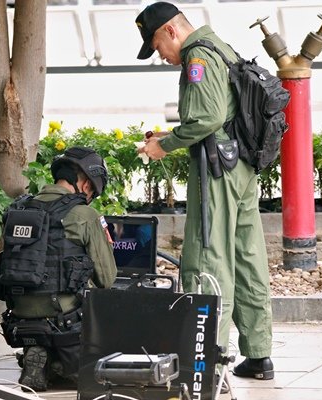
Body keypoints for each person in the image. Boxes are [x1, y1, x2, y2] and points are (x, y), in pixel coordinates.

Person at [134, 2, 274, 381]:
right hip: (241, 164)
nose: (160, 56)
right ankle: (259, 355)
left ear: (170, 31)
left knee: (208, 256)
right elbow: (222, 115)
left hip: (217, 170)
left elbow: (208, 117)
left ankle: (207, 357)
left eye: (157, 46)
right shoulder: (220, 46)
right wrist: (169, 136)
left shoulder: (198, 56)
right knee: (247, 255)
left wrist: (163, 146)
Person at [0, 146, 117, 391]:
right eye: (93, 189)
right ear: (85, 182)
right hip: (65, 319)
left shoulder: (18, 209)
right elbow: (106, 279)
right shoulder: (84, 214)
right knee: (91, 367)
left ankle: (37, 353)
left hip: (19, 316)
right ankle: (59, 366)